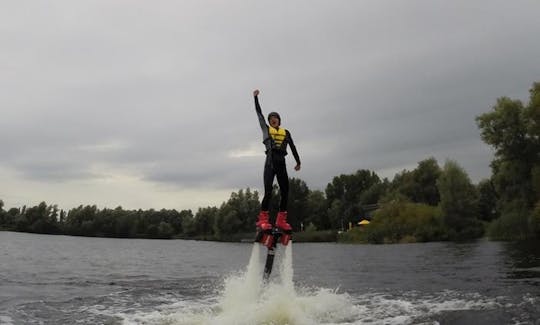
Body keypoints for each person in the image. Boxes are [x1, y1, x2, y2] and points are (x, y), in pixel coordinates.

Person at [253, 89, 301, 233]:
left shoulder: (286, 133)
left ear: (279, 120)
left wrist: (298, 162)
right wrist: (255, 98)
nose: (273, 119)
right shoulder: (266, 129)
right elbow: (259, 114)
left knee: (285, 191)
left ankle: (281, 220)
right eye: (271, 118)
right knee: (269, 191)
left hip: (281, 163)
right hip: (270, 162)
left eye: (275, 117)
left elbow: (292, 146)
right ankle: (262, 220)